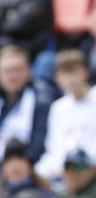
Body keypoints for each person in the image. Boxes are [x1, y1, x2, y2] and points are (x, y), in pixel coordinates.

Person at [0, 45, 56, 164]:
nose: (13, 76)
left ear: (29, 71)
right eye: (8, 71)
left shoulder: (42, 102)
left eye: (18, 70)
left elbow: (38, 149)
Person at [35, 49, 96, 182]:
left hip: (89, 172)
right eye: (65, 73)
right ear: (57, 78)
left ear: (85, 73)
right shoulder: (58, 108)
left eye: (74, 72)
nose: (70, 79)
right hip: (61, 175)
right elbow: (53, 150)